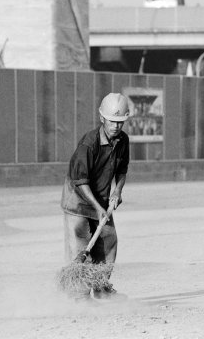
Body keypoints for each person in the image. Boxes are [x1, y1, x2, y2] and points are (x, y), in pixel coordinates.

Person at [60, 92, 130, 301]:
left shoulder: (123, 141)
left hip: (100, 200)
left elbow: (122, 170)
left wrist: (117, 191)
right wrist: (98, 209)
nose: (116, 126)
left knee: (108, 240)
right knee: (79, 248)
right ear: (102, 118)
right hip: (78, 202)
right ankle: (80, 297)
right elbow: (80, 181)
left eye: (120, 121)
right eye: (112, 121)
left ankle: (101, 289)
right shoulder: (88, 144)